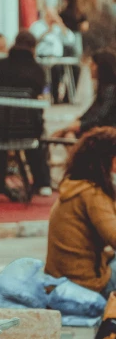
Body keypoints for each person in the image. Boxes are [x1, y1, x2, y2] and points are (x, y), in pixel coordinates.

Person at [0, 30, 52, 197]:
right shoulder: (37, 70)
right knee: (36, 136)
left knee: (1, 136)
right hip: (26, 130)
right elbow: (42, 94)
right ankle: (42, 182)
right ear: (33, 48)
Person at [45, 127, 116, 297]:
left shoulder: (76, 185)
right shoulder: (92, 193)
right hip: (87, 283)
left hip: (63, 279)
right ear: (108, 160)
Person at [52, 50, 116, 139]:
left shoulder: (110, 90)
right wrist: (77, 122)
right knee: (69, 133)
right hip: (101, 129)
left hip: (107, 132)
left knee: (70, 135)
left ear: (101, 67)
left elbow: (99, 118)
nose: (90, 67)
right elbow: (90, 113)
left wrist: (76, 126)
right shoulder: (105, 89)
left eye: (93, 64)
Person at [30, 9, 76, 103]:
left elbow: (70, 40)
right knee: (50, 71)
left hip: (57, 58)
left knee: (74, 69)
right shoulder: (37, 26)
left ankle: (64, 98)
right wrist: (47, 31)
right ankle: (48, 96)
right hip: (42, 57)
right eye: (50, 16)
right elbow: (32, 41)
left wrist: (61, 24)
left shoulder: (58, 27)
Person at [59, 0, 88, 87]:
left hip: (65, 38)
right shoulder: (79, 13)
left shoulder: (63, 13)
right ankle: (71, 90)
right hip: (76, 38)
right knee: (75, 65)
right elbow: (85, 27)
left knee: (62, 65)